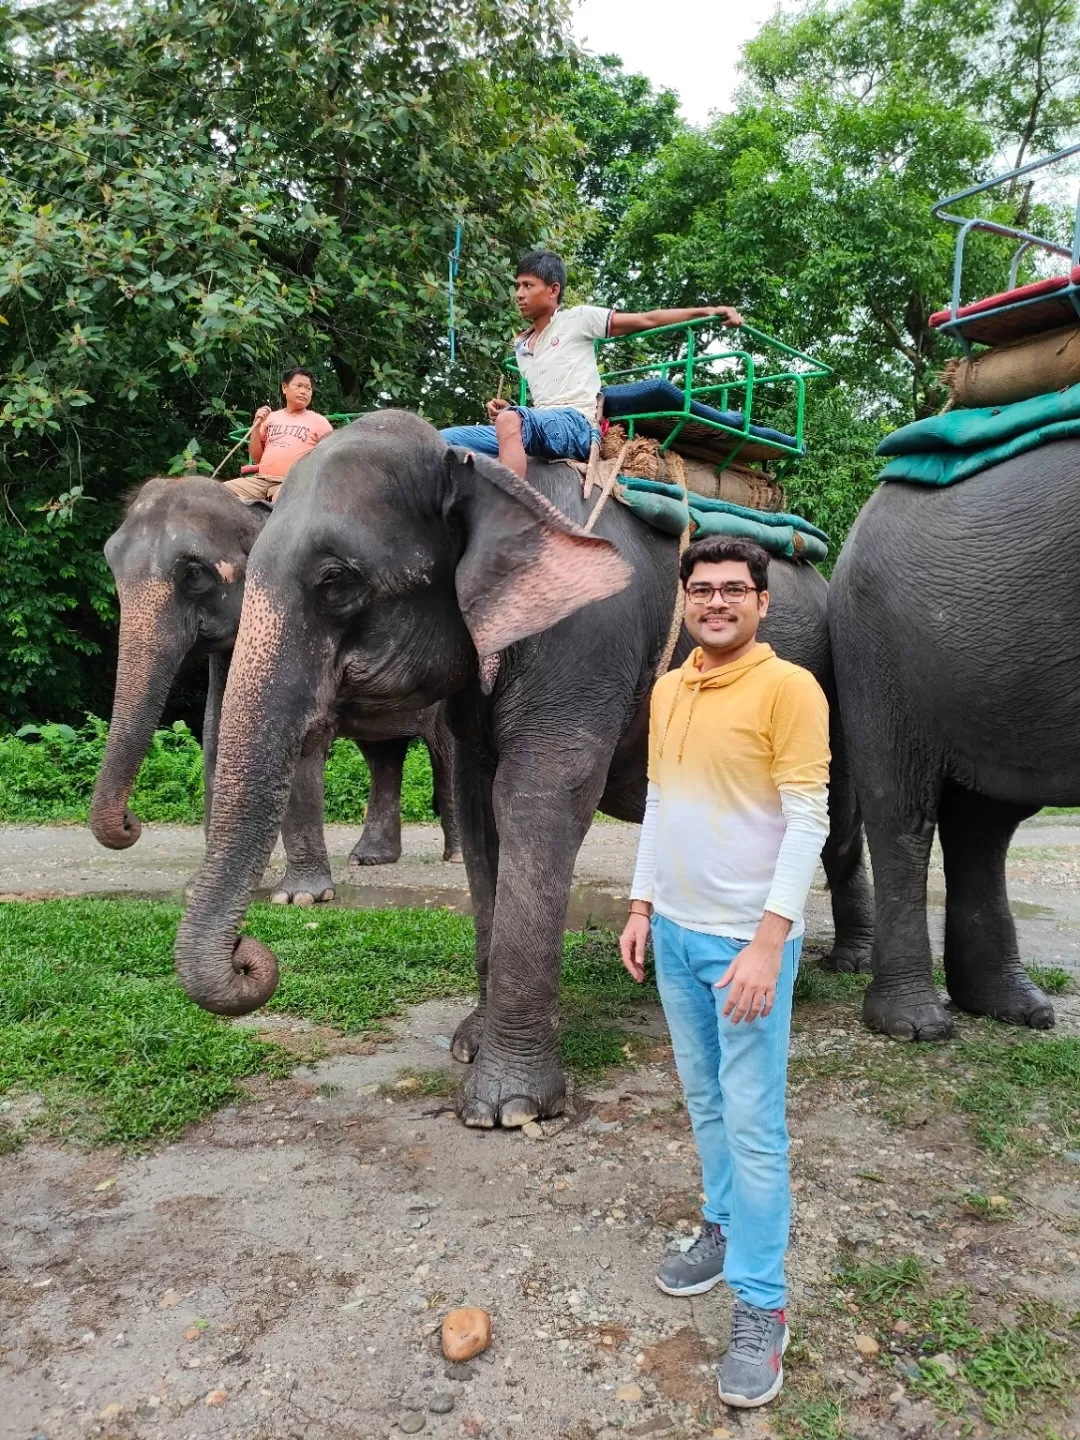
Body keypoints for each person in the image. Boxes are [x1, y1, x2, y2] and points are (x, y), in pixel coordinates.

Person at [619, 536, 830, 1410]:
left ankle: (762, 1303)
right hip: (674, 933)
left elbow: (809, 818)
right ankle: (723, 1224)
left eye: (733, 591)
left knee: (753, 1122)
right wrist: (640, 906)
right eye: (701, 590)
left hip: (747, 947)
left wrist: (770, 941)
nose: (716, 603)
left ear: (762, 603)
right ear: (685, 600)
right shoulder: (672, 688)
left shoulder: (789, 689)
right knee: (705, 1101)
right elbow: (661, 801)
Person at [440, 250, 743, 479]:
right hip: (540, 421)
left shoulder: (578, 319)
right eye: (517, 286)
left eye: (528, 285)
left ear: (553, 289)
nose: (519, 294)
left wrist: (711, 310)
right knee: (441, 439)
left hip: (576, 425)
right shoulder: (522, 344)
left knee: (511, 420)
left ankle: (508, 512)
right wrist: (506, 410)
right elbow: (542, 399)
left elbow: (646, 319)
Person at [224, 367, 333, 504]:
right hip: (260, 480)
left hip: (291, 483)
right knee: (219, 490)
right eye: (298, 386)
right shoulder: (270, 418)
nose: (303, 391)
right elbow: (257, 458)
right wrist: (257, 425)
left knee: (281, 501)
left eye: (308, 388)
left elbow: (330, 459)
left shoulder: (320, 422)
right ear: (284, 388)